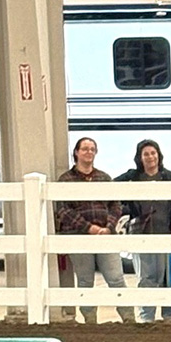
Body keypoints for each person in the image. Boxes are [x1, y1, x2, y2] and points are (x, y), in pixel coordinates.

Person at [55, 138, 135, 324]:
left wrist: (109, 227)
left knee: (116, 278)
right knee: (85, 280)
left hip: (105, 235)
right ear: (76, 152)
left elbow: (116, 205)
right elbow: (63, 210)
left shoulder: (104, 178)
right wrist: (88, 228)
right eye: (85, 149)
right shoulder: (66, 180)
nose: (89, 152)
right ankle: (90, 321)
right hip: (78, 235)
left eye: (92, 149)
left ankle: (129, 319)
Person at [115, 139, 171, 323]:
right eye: (146, 154)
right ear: (139, 157)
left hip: (167, 235)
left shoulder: (170, 177)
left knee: (168, 279)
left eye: (153, 153)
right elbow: (112, 188)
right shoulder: (133, 178)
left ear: (159, 155)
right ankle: (147, 317)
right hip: (141, 236)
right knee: (147, 278)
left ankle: (169, 316)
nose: (150, 157)